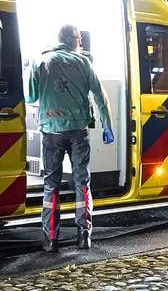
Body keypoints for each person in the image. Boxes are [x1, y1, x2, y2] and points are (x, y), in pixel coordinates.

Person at [28, 24, 113, 251]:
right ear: (72, 39)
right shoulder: (84, 62)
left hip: (51, 130)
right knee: (81, 182)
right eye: (79, 38)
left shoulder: (41, 60)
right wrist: (107, 125)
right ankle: (84, 235)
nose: (82, 43)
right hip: (78, 131)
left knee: (51, 185)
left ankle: (51, 238)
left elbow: (30, 96)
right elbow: (99, 94)